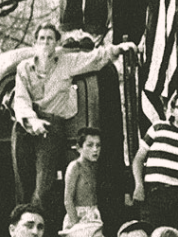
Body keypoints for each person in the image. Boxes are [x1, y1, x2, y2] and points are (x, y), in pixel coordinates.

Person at [11, 24, 135, 207]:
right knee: (21, 183)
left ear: (56, 43)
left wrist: (118, 49)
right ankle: (21, 222)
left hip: (51, 127)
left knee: (42, 186)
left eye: (50, 38)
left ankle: (36, 221)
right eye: (42, 38)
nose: (46, 42)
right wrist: (31, 120)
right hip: (26, 126)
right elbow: (20, 99)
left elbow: (94, 58)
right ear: (34, 43)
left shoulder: (66, 62)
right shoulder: (24, 68)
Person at [63, 127, 103, 229]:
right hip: (78, 217)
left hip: (94, 216)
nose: (95, 149)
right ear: (79, 148)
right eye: (90, 145)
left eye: (98, 145)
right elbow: (68, 199)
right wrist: (76, 225)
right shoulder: (75, 167)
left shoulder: (94, 167)